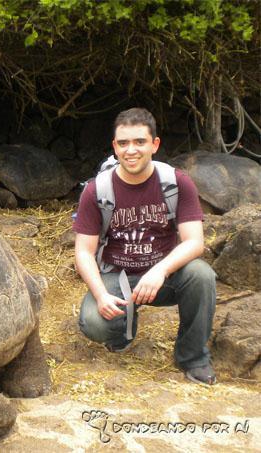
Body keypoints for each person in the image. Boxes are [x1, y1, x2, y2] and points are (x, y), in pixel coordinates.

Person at [73, 107, 217, 385]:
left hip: (166, 275)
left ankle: (193, 357)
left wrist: (160, 270)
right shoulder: (97, 190)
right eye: (123, 143)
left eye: (140, 142)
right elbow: (83, 252)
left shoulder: (176, 183)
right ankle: (124, 330)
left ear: (155, 144)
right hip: (119, 276)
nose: (131, 150)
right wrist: (101, 294)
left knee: (202, 275)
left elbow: (195, 242)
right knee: (93, 322)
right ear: (114, 147)